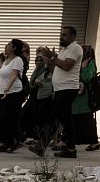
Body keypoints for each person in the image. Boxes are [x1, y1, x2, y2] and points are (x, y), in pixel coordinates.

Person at [34, 26, 83, 158]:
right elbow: (54, 69)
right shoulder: (63, 50)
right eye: (61, 34)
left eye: (65, 35)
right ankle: (70, 149)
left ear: (73, 37)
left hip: (68, 89)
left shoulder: (75, 48)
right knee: (65, 119)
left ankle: (41, 145)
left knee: (54, 118)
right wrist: (49, 60)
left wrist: (53, 57)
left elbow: (67, 66)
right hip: (60, 89)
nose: (62, 37)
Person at [0, 39, 27, 153]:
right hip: (4, 93)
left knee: (6, 117)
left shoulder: (18, 60)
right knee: (4, 118)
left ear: (14, 48)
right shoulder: (6, 61)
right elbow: (0, 79)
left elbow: (13, 76)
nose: (6, 46)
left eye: (8, 44)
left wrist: (7, 89)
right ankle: (8, 142)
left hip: (14, 93)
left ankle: (18, 139)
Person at [71, 45, 100, 151]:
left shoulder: (90, 64)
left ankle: (94, 142)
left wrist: (83, 68)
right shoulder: (77, 63)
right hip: (77, 98)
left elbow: (87, 77)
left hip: (85, 99)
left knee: (86, 120)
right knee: (76, 120)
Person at [25, 54, 54, 143]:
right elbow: (32, 83)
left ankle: (41, 138)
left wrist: (38, 82)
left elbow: (49, 81)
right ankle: (36, 137)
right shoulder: (37, 70)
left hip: (45, 96)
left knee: (41, 117)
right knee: (35, 116)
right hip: (36, 95)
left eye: (41, 60)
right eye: (37, 60)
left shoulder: (48, 70)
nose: (38, 62)